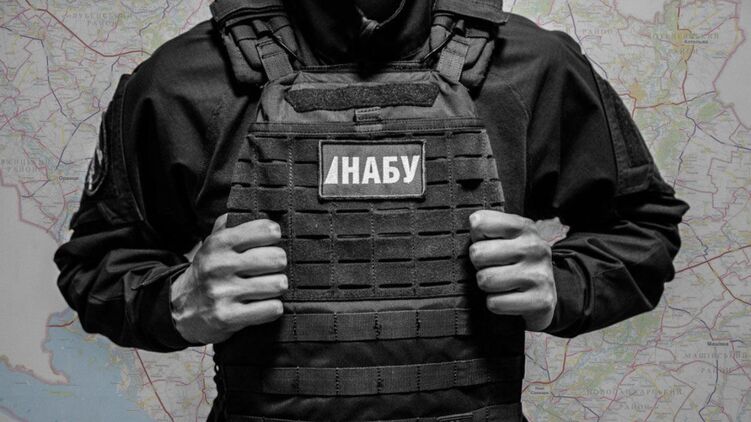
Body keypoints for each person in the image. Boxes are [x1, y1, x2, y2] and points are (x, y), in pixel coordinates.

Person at [54, 0, 689, 420]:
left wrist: (562, 285)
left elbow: (643, 227)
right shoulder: (186, 79)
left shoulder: (531, 67)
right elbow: (97, 262)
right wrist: (175, 303)